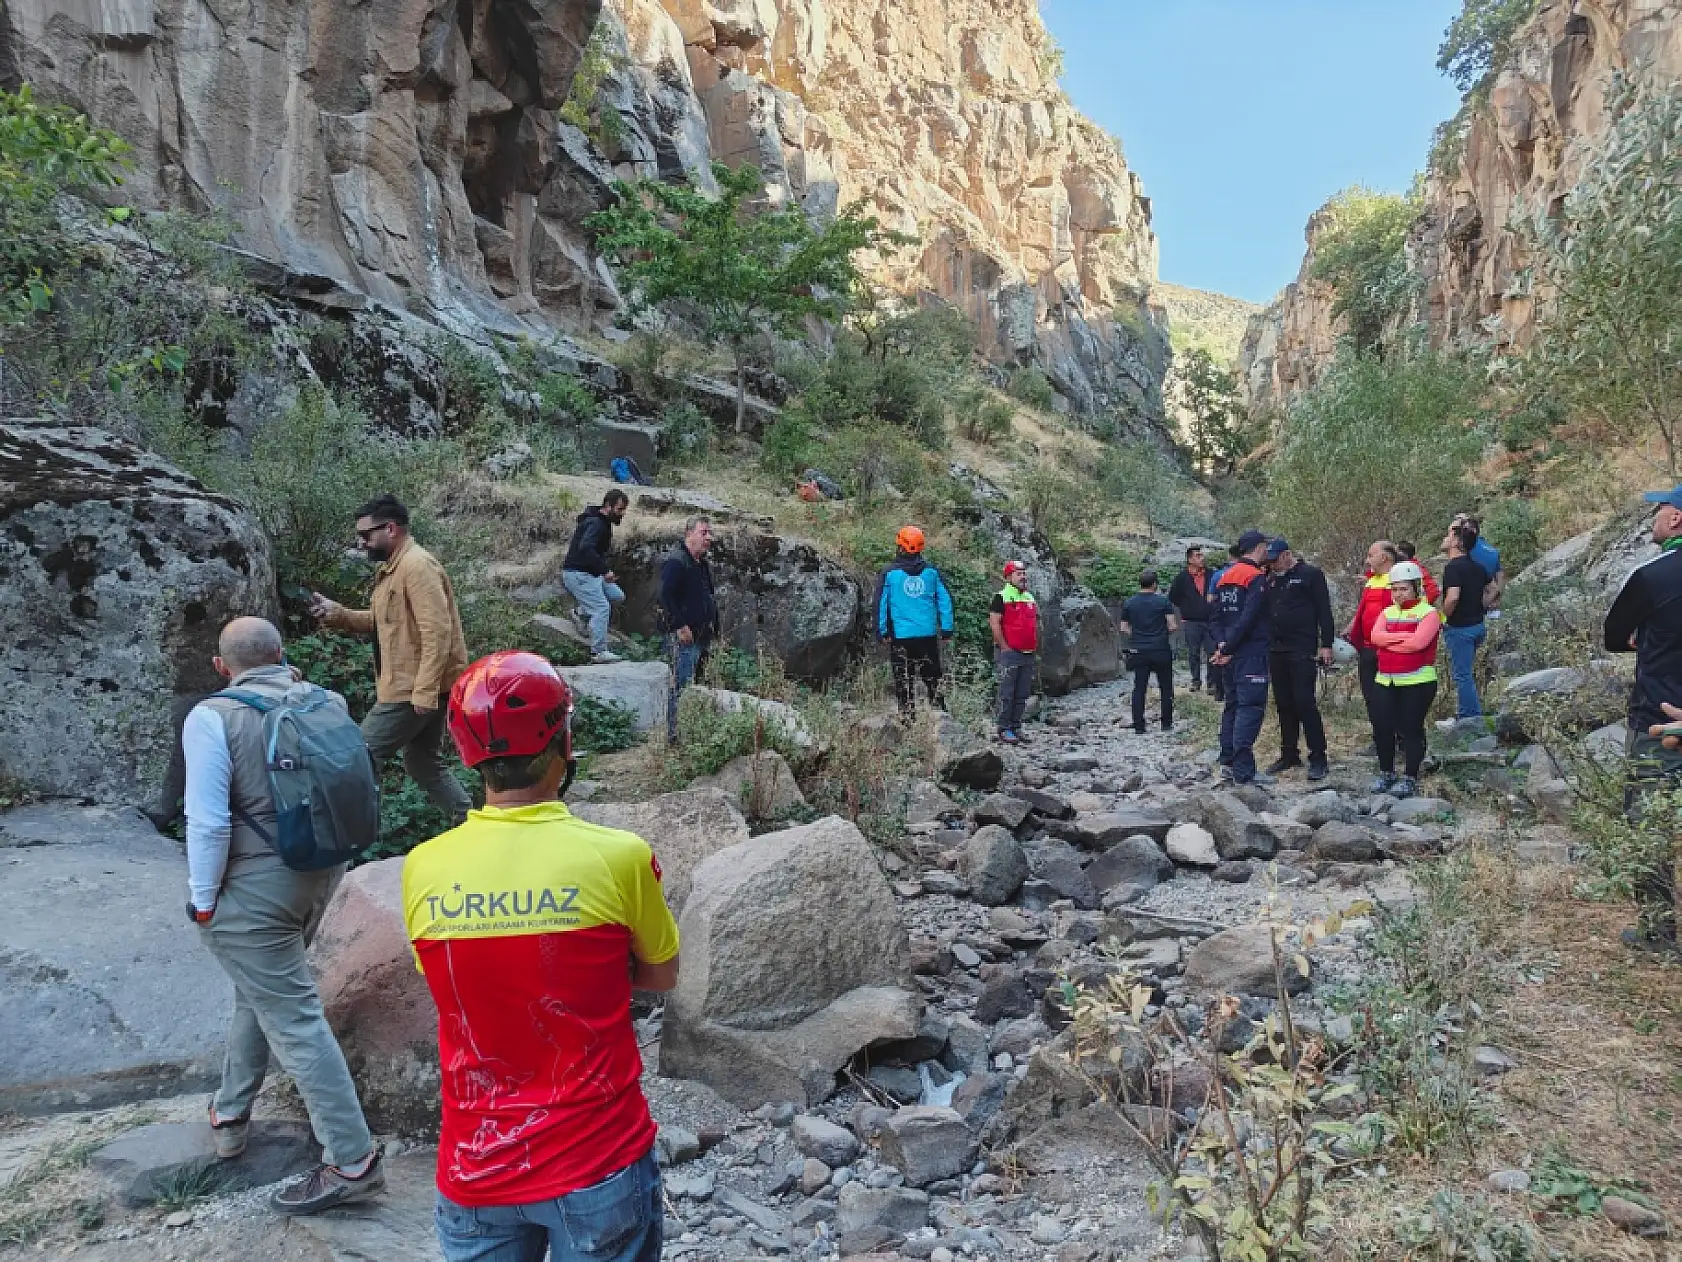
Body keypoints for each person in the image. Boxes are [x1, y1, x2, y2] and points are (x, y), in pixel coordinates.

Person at [407, 651, 679, 1261]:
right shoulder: (618, 856)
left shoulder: (423, 867)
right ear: (563, 741)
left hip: (476, 1168)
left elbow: (452, 989)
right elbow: (660, 975)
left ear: (467, 753)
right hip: (598, 1159)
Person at [183, 617, 384, 1216]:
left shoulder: (211, 717)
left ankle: (352, 1160)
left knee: (295, 1018)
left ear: (223, 666)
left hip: (256, 886)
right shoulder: (325, 700)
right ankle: (231, 1112)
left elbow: (209, 821)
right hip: (323, 872)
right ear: (281, 653)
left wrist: (202, 899)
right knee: (263, 989)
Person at [311, 494, 472, 827]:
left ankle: (354, 833)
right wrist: (339, 615)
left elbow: (437, 631)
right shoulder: (396, 567)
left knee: (358, 755)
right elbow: (387, 621)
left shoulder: (417, 566)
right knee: (423, 763)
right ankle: (469, 824)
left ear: (392, 529)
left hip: (411, 689)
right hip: (416, 686)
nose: (361, 542)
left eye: (366, 535)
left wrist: (424, 692)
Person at [1603, 483, 1682, 948]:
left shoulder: (1653, 577)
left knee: (1650, 825)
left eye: (1661, 509)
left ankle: (1658, 930)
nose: (1653, 517)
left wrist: (1644, 636)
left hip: (1660, 719)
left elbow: (1614, 634)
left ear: (1676, 520)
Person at [1262, 539, 1335, 781]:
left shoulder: (1310, 575)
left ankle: (1318, 756)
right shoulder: (1271, 578)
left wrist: (1326, 644)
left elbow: (1324, 610)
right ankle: (1289, 753)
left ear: (1287, 555)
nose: (1272, 564)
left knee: (1304, 701)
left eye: (1275, 560)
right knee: (1283, 703)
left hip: (1302, 647)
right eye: (1269, 561)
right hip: (1276, 648)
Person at [1368, 561, 1441, 799]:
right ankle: (1387, 772)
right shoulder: (1386, 612)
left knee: (1411, 729)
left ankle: (1410, 777)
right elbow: (1375, 637)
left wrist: (1390, 639)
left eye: (1404, 589)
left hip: (1417, 681)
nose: (1398, 594)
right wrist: (1403, 638)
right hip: (1385, 680)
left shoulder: (1428, 613)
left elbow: (1419, 643)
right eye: (1395, 589)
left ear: (1416, 588)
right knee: (1382, 728)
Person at [1211, 531, 1274, 785]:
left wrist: (1222, 646)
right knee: (1250, 709)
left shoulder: (1224, 577)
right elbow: (1249, 618)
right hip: (1250, 653)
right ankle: (1244, 771)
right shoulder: (1256, 578)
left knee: (1232, 707)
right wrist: (1228, 648)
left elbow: (1214, 618)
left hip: (1230, 653)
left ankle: (1227, 763)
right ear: (1259, 548)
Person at [875, 526, 955, 717]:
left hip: (901, 637)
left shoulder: (889, 573)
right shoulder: (931, 572)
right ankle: (941, 718)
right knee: (933, 677)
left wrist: (882, 632)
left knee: (904, 680)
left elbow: (880, 604)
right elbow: (945, 600)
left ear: (900, 546)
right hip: (927, 635)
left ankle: (907, 719)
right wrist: (946, 629)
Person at [659, 516, 720, 742]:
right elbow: (665, 596)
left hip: (702, 635)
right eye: (704, 533)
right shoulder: (676, 561)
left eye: (709, 533)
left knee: (696, 687)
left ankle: (692, 732)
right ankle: (676, 737)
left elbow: (707, 598)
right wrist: (680, 626)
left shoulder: (700, 564)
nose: (709, 538)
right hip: (684, 637)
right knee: (681, 686)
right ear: (689, 533)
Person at [562, 490, 631, 664]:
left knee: (617, 596)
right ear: (608, 506)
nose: (622, 513)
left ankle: (579, 613)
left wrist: (602, 571)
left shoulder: (603, 521)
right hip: (578, 574)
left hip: (590, 573)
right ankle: (598, 652)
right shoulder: (596, 523)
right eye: (620, 509)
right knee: (601, 608)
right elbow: (586, 548)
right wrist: (604, 570)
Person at [1346, 540, 1401, 754]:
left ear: (1384, 557)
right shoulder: (1372, 581)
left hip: (1390, 649)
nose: (1367, 560)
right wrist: (1353, 627)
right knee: (1371, 695)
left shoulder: (1400, 580)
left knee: (1394, 695)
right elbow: (1364, 608)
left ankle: (1401, 739)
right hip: (1368, 648)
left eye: (1371, 555)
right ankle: (1380, 739)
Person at [1437, 522, 1491, 725]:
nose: (1445, 538)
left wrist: (1442, 618)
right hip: (1478, 624)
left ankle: (1470, 718)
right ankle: (1472, 711)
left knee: (1462, 675)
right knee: (1467, 672)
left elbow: (1452, 597)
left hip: (1460, 629)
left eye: (1448, 536)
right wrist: (1481, 605)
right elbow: (1493, 588)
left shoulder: (1453, 568)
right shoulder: (1478, 566)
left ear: (1457, 543)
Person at [1121, 570, 1179, 734]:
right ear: (1154, 584)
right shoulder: (1163, 602)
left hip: (1138, 650)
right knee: (1166, 687)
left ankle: (1139, 726)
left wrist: (1138, 635)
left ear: (1140, 583)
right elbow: (1173, 626)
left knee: (1139, 688)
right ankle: (1166, 724)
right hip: (1160, 649)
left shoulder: (1130, 603)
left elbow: (1123, 628)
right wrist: (1162, 633)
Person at [989, 561, 1039, 745]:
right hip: (1009, 652)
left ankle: (1016, 727)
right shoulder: (1000, 597)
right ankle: (1003, 729)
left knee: (1022, 693)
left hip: (1028, 652)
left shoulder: (1029, 598)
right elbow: (994, 623)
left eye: (1024, 573)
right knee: (1006, 693)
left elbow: (1035, 624)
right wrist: (1004, 647)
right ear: (1009, 577)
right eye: (1018, 573)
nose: (1023, 576)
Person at [1168, 546, 1218, 694]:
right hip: (1191, 621)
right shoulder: (1182, 578)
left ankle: (1212, 683)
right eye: (1198, 555)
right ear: (1190, 559)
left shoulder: (1211, 574)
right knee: (1193, 652)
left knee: (1212, 652)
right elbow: (1173, 598)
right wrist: (1187, 607)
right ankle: (1195, 681)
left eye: (1202, 555)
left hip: (1210, 620)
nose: (1201, 558)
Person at [1453, 513, 1506, 612]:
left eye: (1464, 530)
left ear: (1473, 531)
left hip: (1472, 603)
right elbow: (1500, 575)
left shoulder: (1468, 549)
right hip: (1491, 600)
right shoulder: (1493, 550)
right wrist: (1496, 596)